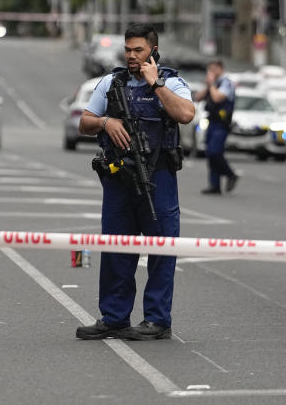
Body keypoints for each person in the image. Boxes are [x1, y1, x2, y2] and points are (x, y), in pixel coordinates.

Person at [75, 23, 195, 341]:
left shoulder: (172, 82)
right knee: (115, 249)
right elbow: (84, 122)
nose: (131, 55)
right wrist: (105, 121)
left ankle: (157, 320)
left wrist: (155, 86)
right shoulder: (111, 82)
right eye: (128, 49)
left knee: (161, 250)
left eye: (138, 50)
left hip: (158, 178)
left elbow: (186, 114)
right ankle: (114, 318)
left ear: (153, 51)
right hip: (118, 178)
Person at [195, 60, 238, 195]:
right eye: (209, 70)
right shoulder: (212, 84)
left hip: (222, 123)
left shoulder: (226, 83)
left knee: (215, 151)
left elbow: (217, 98)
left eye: (213, 69)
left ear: (220, 68)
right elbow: (197, 97)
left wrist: (212, 84)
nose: (211, 73)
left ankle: (230, 174)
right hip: (212, 122)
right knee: (210, 153)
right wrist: (209, 85)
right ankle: (215, 185)